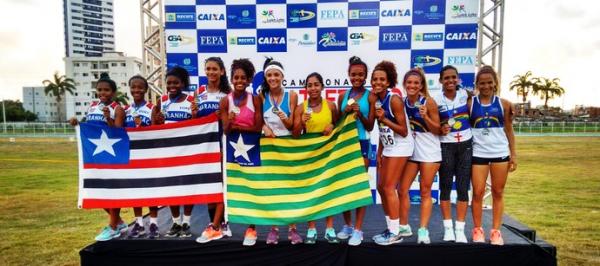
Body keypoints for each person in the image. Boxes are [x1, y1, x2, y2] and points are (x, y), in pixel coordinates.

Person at [69, 73, 127, 241]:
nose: (103, 93)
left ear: (114, 92)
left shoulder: (118, 108)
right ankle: (119, 222)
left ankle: (113, 226)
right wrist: (77, 123)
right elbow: (90, 127)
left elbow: (117, 131)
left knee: (112, 192)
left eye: (107, 90)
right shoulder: (93, 105)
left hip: (112, 156)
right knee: (97, 191)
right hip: (95, 156)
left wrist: (108, 118)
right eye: (100, 90)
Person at [470, 65, 517, 245]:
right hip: (478, 153)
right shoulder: (471, 103)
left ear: (495, 83)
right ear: (477, 84)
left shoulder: (504, 104)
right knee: (478, 193)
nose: (486, 86)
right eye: (482, 83)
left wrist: (513, 155)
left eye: (489, 82)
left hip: (500, 153)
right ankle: (477, 230)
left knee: (498, 192)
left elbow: (509, 131)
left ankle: (496, 231)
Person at [218, 58, 263, 246]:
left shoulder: (255, 99)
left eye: (243, 78)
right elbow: (226, 131)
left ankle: (251, 228)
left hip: (252, 151)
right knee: (229, 186)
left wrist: (239, 127)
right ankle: (222, 225)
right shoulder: (224, 101)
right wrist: (229, 120)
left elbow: (258, 127)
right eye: (236, 77)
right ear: (231, 78)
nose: (239, 81)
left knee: (251, 188)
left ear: (249, 80)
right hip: (232, 151)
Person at [259, 58, 303, 245]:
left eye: (276, 74)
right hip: (269, 148)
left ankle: (292, 229)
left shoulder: (292, 95)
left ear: (283, 76)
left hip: (288, 147)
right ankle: (274, 229)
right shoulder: (262, 95)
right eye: (269, 75)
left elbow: (293, 126)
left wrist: (285, 119)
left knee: (290, 189)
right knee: (273, 189)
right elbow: (257, 119)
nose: (273, 78)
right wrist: (264, 128)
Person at [292, 72, 340, 244]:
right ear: (306, 88)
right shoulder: (300, 107)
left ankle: (329, 228)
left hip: (328, 154)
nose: (313, 88)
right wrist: (300, 122)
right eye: (310, 85)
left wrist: (332, 125)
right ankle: (311, 229)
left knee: (329, 190)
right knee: (311, 191)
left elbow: (340, 126)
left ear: (322, 86)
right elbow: (296, 135)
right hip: (310, 155)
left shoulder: (331, 106)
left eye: (316, 84)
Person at [370, 61, 414, 246]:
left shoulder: (393, 99)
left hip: (402, 146)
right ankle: (391, 227)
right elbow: (382, 130)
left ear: (388, 82)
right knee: (381, 187)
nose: (377, 82)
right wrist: (380, 152)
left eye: (382, 79)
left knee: (389, 188)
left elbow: (403, 130)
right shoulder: (376, 99)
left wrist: (384, 119)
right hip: (389, 147)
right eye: (374, 79)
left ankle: (396, 232)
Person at [151, 66, 196, 238]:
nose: (172, 86)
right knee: (172, 189)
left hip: (187, 151)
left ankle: (187, 222)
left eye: (176, 82)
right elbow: (154, 128)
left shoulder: (191, 100)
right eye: (169, 82)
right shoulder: (161, 100)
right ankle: (176, 222)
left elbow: (196, 126)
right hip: (168, 152)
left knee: (187, 187)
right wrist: (158, 122)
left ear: (183, 83)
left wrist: (193, 115)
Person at [398, 68, 441, 244]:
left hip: (429, 150)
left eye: (416, 83)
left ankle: (423, 230)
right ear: (404, 84)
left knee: (425, 191)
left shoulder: (428, 102)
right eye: (409, 82)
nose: (412, 86)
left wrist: (425, 117)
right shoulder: (401, 102)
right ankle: (403, 226)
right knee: (402, 189)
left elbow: (438, 129)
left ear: (421, 85)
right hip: (411, 150)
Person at [336, 56, 375, 246]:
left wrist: (360, 113)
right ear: (348, 75)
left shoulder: (371, 96)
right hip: (345, 143)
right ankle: (348, 225)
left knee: (359, 186)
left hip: (362, 142)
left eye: (360, 74)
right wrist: (345, 113)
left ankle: (358, 230)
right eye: (353, 74)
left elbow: (370, 127)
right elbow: (338, 123)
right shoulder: (342, 96)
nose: (357, 77)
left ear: (366, 76)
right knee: (344, 186)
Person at [433, 65, 473, 243]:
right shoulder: (435, 99)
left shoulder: (466, 94)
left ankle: (460, 229)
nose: (450, 81)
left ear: (458, 79)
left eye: (453, 77)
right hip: (446, 146)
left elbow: (485, 99)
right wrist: (440, 127)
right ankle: (448, 228)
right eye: (446, 78)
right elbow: (432, 123)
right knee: (446, 188)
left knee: (463, 188)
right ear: (441, 80)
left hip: (465, 145)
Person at [195, 57, 232, 244]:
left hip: (221, 144)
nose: (211, 72)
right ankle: (218, 223)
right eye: (208, 69)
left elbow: (234, 120)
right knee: (210, 187)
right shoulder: (198, 93)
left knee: (220, 186)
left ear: (222, 72)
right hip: (203, 147)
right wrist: (195, 114)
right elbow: (194, 122)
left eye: (214, 69)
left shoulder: (228, 94)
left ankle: (217, 225)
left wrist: (224, 116)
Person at [123, 75, 160, 239]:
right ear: (130, 89)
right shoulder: (125, 110)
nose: (136, 90)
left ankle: (153, 224)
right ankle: (139, 223)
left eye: (140, 87)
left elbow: (155, 131)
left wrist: (142, 125)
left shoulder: (152, 108)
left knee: (150, 191)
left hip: (149, 155)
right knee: (135, 191)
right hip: (131, 155)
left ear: (145, 90)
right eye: (133, 87)